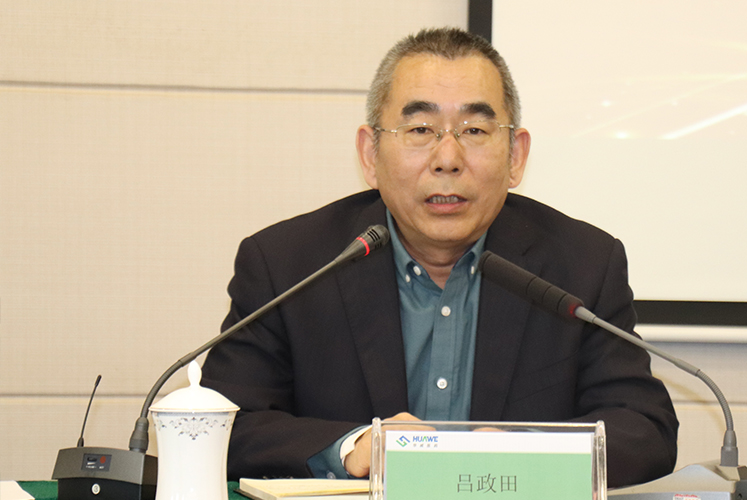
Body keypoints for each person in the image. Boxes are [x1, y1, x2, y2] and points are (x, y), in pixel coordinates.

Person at [201, 27, 678, 488]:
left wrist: (526, 449)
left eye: (474, 129)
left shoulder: (583, 265)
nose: (447, 158)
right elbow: (222, 426)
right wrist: (353, 447)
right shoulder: (288, 265)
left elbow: (645, 428)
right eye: (420, 129)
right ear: (370, 154)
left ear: (515, 156)